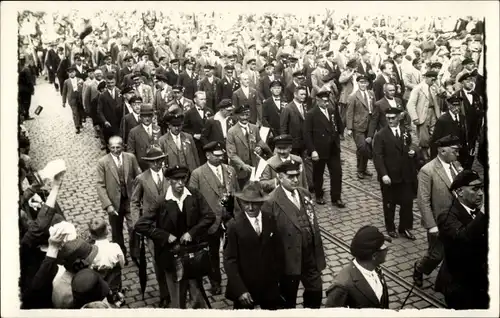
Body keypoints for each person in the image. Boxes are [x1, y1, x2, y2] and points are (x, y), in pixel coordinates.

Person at [134, 165, 215, 309]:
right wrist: (165, 236)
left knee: (197, 293)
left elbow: (209, 216)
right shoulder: (161, 201)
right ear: (169, 181)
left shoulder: (194, 195)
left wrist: (192, 232)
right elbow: (141, 225)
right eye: (176, 180)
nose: (180, 184)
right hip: (171, 256)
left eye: (183, 179)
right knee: (177, 296)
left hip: (193, 253)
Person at [261, 160, 326, 309]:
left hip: (309, 254)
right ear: (280, 177)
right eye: (290, 177)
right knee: (288, 298)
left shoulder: (304, 193)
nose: (295, 180)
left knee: (316, 291)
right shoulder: (271, 202)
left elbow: (312, 222)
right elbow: (267, 239)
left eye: (297, 175)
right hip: (288, 258)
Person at [189, 141, 239, 295]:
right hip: (211, 221)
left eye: (221, 155)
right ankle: (215, 281)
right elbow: (193, 200)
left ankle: (236, 281)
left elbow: (236, 192)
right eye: (216, 156)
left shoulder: (230, 170)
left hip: (229, 217)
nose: (220, 158)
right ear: (207, 155)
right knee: (212, 253)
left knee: (234, 251)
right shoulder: (197, 174)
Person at [224, 182, 284, 309]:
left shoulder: (270, 219)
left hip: (268, 287)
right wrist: (240, 290)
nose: (250, 208)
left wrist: (276, 279)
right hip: (246, 286)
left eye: (254, 203)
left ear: (261, 203)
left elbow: (278, 251)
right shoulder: (234, 225)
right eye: (246, 203)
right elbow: (230, 261)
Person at [413, 135, 463, 288]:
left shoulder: (456, 164)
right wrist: (431, 225)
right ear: (442, 150)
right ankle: (419, 269)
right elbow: (423, 200)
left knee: (457, 252)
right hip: (440, 222)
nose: (458, 154)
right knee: (436, 255)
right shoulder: (427, 171)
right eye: (454, 150)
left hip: (458, 219)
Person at [435, 170, 488, 309]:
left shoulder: (477, 210)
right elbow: (463, 237)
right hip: (460, 286)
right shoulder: (447, 216)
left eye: (481, 188)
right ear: (460, 192)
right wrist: (483, 213)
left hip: (481, 280)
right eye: (475, 189)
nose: (481, 193)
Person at [130, 146, 170, 307]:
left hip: (170, 225)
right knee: (157, 261)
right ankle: (164, 293)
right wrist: (137, 225)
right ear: (148, 163)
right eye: (153, 162)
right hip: (152, 227)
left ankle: (177, 288)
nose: (157, 164)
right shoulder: (141, 179)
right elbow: (134, 202)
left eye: (159, 160)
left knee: (174, 257)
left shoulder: (170, 175)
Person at [372, 108, 417, 240]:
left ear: (399, 118)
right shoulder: (381, 135)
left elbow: (411, 145)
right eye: (388, 118)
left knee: (407, 203)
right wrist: (384, 174)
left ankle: (404, 228)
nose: (390, 120)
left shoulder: (404, 131)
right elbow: (378, 157)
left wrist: (413, 151)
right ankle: (390, 227)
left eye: (393, 118)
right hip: (390, 176)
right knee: (389, 203)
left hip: (405, 174)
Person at [96, 136, 141, 263]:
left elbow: (139, 177)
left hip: (130, 200)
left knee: (134, 227)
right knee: (117, 231)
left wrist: (138, 196)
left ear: (123, 146)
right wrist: (108, 205)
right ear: (109, 147)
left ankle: (135, 253)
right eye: (113, 147)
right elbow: (100, 185)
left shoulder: (130, 158)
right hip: (114, 202)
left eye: (118, 147)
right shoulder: (103, 162)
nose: (115, 150)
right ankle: (121, 254)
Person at [325, 225, 390, 308]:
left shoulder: (376, 269)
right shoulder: (342, 286)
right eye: (383, 246)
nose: (387, 249)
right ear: (374, 256)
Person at [304, 89, 344, 207]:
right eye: (324, 101)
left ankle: (336, 197)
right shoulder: (311, 114)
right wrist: (313, 150)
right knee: (318, 174)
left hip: (333, 149)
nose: (327, 104)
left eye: (328, 101)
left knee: (337, 173)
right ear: (318, 100)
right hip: (319, 149)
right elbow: (307, 134)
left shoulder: (331, 111)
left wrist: (340, 135)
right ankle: (319, 195)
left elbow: (338, 124)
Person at [226, 104, 272, 189]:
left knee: (254, 190)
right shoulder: (231, 132)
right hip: (239, 170)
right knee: (241, 191)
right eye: (242, 115)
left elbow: (259, 141)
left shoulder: (254, 128)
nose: (244, 118)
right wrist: (242, 165)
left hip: (254, 167)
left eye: (247, 115)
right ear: (237, 116)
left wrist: (260, 147)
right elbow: (231, 154)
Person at [52, 238, 100, 309]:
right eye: (89, 263)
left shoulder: (60, 279)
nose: (92, 264)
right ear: (79, 265)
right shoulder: (70, 294)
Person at [88, 218, 125, 307]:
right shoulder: (115, 247)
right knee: (115, 287)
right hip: (114, 279)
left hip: (99, 280)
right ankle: (116, 298)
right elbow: (122, 264)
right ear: (107, 231)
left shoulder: (91, 250)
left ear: (92, 236)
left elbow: (89, 267)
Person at [406, 70, 441, 161]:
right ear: (427, 78)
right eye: (432, 80)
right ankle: (424, 153)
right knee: (423, 136)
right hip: (422, 114)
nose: (433, 82)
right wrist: (415, 117)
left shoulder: (433, 87)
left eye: (435, 80)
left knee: (434, 133)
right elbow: (410, 104)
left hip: (433, 112)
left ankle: (433, 153)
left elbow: (441, 95)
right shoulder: (418, 88)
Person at [346, 75, 375, 180]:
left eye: (365, 82)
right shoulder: (353, 96)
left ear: (367, 83)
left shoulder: (371, 94)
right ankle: (359, 169)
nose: (363, 84)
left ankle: (364, 168)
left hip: (369, 125)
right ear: (357, 83)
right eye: (361, 82)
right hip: (358, 126)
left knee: (367, 145)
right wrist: (349, 128)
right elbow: (349, 113)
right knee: (362, 147)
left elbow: (374, 108)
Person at [183, 91, 214, 164]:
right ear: (195, 100)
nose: (204, 101)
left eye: (205, 99)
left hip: (209, 143)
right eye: (201, 99)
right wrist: (194, 135)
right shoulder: (189, 113)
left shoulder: (210, 111)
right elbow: (184, 128)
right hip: (197, 145)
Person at [127, 104, 155, 171]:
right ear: (140, 117)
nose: (147, 118)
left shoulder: (158, 129)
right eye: (144, 116)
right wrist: (136, 168)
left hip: (156, 166)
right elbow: (130, 153)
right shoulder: (134, 132)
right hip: (142, 168)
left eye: (149, 116)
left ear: (152, 116)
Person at [262, 80, 285, 150]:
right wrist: (270, 131)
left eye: (279, 88)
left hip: (284, 131)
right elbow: (263, 118)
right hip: (273, 132)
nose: (277, 90)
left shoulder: (285, 100)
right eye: (275, 88)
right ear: (271, 90)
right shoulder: (266, 103)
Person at [62, 66, 85, 134]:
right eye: (70, 73)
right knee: (75, 112)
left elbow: (84, 89)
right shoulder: (66, 81)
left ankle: (80, 123)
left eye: (73, 72)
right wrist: (64, 101)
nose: (71, 74)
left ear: (75, 72)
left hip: (79, 98)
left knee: (80, 111)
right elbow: (64, 92)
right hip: (72, 99)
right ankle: (77, 127)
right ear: (68, 74)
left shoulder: (80, 79)